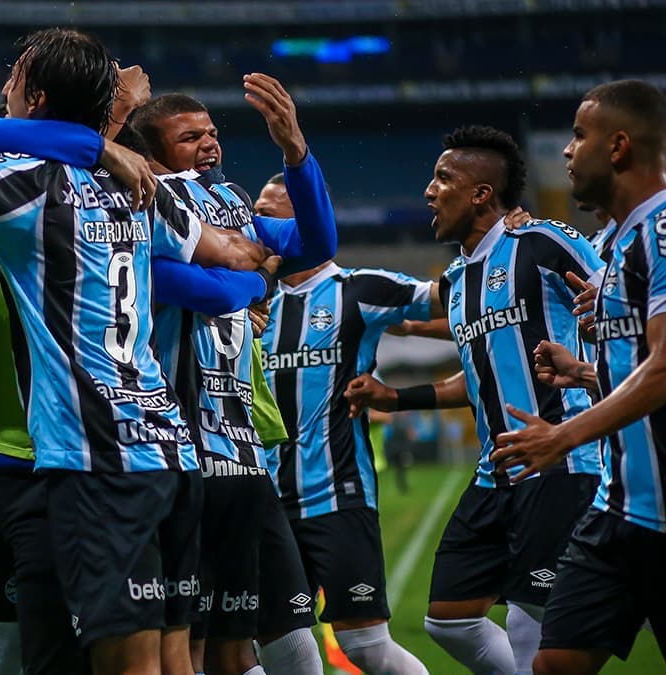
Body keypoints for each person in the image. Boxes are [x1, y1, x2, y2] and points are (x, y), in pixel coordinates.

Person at [0, 27, 272, 674]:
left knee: (66, 656)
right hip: (159, 445)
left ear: (35, 97)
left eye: (14, 74)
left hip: (72, 457)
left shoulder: (15, 177)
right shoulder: (137, 185)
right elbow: (250, 262)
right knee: (160, 653)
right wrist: (99, 141)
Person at [343, 126, 604, 675]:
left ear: (482, 193)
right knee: (449, 618)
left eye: (443, 179)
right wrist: (398, 396)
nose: (429, 192)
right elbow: (479, 375)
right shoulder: (460, 278)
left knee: (535, 618)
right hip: (495, 474)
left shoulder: (538, 241)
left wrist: (592, 357)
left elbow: (618, 295)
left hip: (556, 460)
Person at [130, 90, 335, 675]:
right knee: (185, 644)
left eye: (211, 131)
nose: (209, 142)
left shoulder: (231, 200)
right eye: (189, 137)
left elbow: (317, 244)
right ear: (154, 152)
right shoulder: (149, 199)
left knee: (237, 640)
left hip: (242, 452)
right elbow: (188, 287)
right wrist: (258, 281)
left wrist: (295, 151)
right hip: (180, 451)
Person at [488, 79, 666, 675]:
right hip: (621, 511)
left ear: (618, 147)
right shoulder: (615, 246)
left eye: (579, 135)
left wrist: (562, 436)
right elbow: (643, 375)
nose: (566, 151)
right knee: (553, 663)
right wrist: (588, 373)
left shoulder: (661, 232)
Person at [252, 176, 433, 675]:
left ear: (309, 218)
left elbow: (452, 301)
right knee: (277, 644)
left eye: (270, 215)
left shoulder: (359, 289)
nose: (258, 227)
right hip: (266, 502)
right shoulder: (252, 305)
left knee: (365, 648)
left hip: (339, 495)